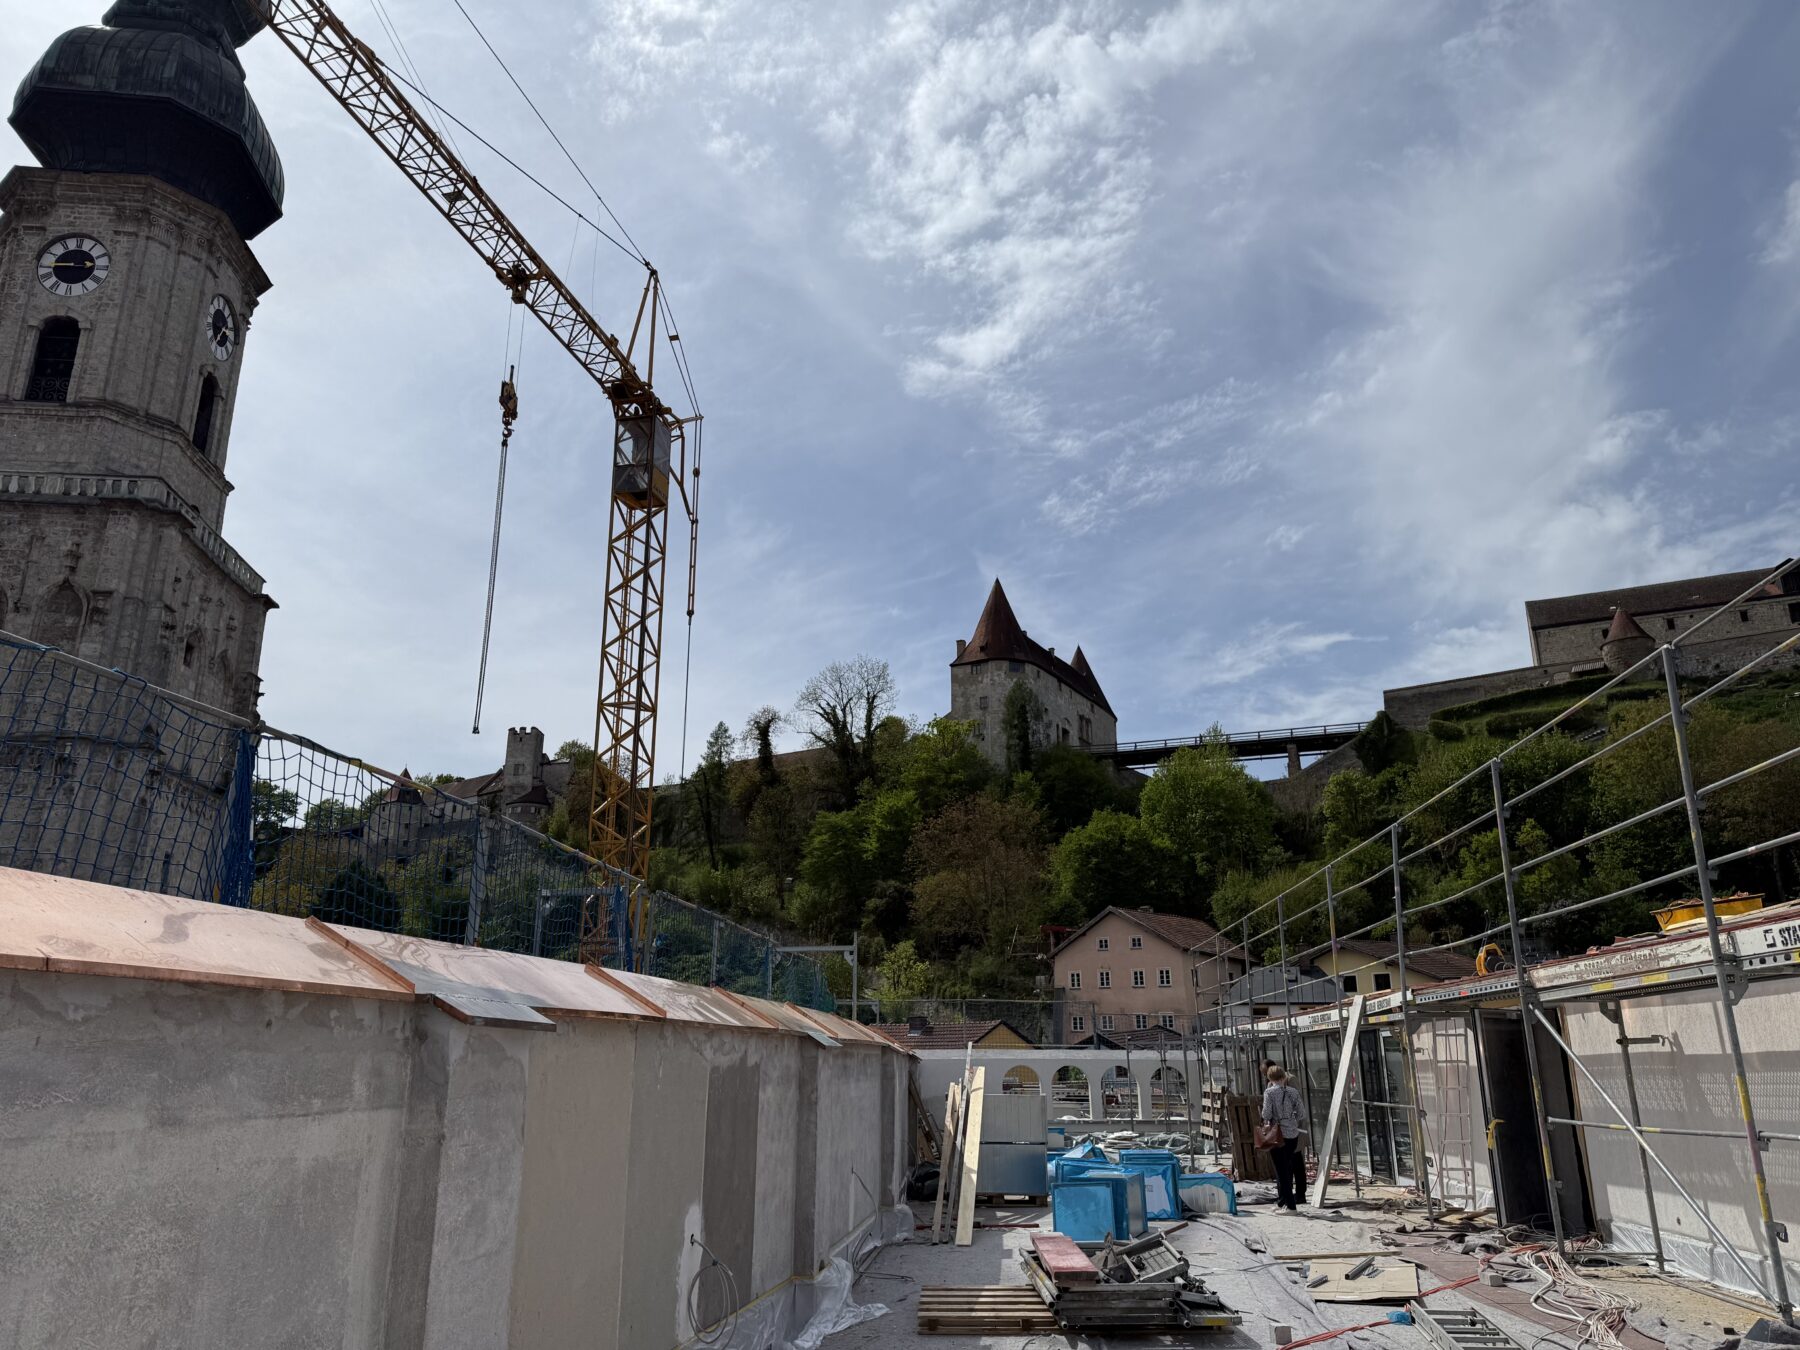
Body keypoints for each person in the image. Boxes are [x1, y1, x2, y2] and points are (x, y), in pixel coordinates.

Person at [1262, 1066, 1307, 1211]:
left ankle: (1290, 1206)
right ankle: (1283, 1202)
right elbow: (1301, 1113)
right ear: (1283, 1077)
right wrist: (1290, 1118)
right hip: (1292, 1134)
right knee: (1287, 1166)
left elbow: (1266, 1114)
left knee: (1281, 1171)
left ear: (1270, 1078)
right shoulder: (1293, 1092)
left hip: (1277, 1134)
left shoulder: (1269, 1092)